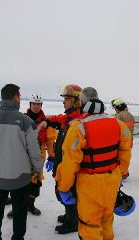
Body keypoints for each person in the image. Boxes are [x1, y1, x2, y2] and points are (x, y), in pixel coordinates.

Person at [56, 87, 132, 239]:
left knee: (89, 224)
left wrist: (63, 187)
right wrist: (119, 174)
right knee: (106, 219)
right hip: (112, 180)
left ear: (82, 102)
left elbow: (70, 162)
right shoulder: (117, 124)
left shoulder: (78, 127)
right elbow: (125, 151)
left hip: (89, 184)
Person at [0, 84, 43, 240]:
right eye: (19, 96)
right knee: (20, 213)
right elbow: (34, 152)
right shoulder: (26, 122)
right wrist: (37, 170)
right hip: (20, 179)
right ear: (16, 97)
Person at [38, 84, 82, 234]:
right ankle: (70, 215)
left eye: (67, 99)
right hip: (61, 164)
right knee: (62, 192)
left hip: (69, 166)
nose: (64, 102)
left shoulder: (78, 121)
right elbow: (60, 118)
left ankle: (73, 221)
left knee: (68, 192)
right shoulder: (69, 117)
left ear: (77, 101)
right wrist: (47, 121)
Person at [7, 94, 57, 218]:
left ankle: (30, 205)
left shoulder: (46, 122)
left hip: (38, 157)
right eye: (34, 104)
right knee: (18, 183)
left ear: (41, 105)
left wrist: (51, 156)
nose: (36, 107)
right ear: (30, 105)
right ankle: (16, 208)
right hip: (22, 155)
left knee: (35, 183)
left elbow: (50, 141)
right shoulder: (21, 119)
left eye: (38, 104)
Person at [111, 98, 135, 179]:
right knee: (125, 158)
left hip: (121, 141)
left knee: (119, 158)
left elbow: (115, 129)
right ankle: (125, 172)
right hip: (129, 141)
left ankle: (121, 173)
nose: (115, 110)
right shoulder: (130, 114)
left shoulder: (119, 116)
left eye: (115, 108)